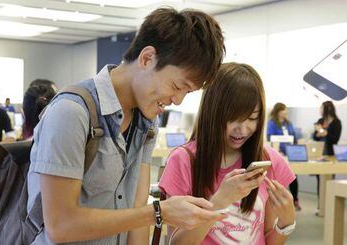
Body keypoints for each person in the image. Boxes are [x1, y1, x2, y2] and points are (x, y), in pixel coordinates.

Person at [27, 7, 226, 244]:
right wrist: (159, 212)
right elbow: (61, 226)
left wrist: (151, 214)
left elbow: (137, 209)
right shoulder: (71, 112)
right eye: (176, 86)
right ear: (147, 58)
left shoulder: (147, 121)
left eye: (187, 92)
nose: (178, 100)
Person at [159, 63, 296, 244]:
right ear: (213, 112)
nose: (243, 129)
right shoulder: (184, 160)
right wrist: (220, 200)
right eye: (233, 118)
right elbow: (177, 243)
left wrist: (287, 222)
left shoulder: (268, 159)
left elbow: (268, 238)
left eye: (252, 118)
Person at [267, 103, 301, 211]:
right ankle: (279, 201)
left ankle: (295, 199)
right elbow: (270, 137)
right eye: (283, 110)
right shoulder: (272, 123)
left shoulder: (288, 123)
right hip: (278, 154)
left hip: (290, 154)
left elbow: (294, 137)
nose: (286, 112)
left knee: (293, 177)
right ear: (278, 111)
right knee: (279, 178)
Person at [312, 101, 341, 212]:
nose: (320, 110)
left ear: (327, 109)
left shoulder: (337, 122)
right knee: (319, 180)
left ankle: (329, 205)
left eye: (321, 108)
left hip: (330, 155)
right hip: (319, 155)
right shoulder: (320, 121)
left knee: (329, 180)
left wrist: (325, 133)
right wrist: (319, 134)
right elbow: (315, 136)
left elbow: (335, 139)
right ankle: (321, 205)